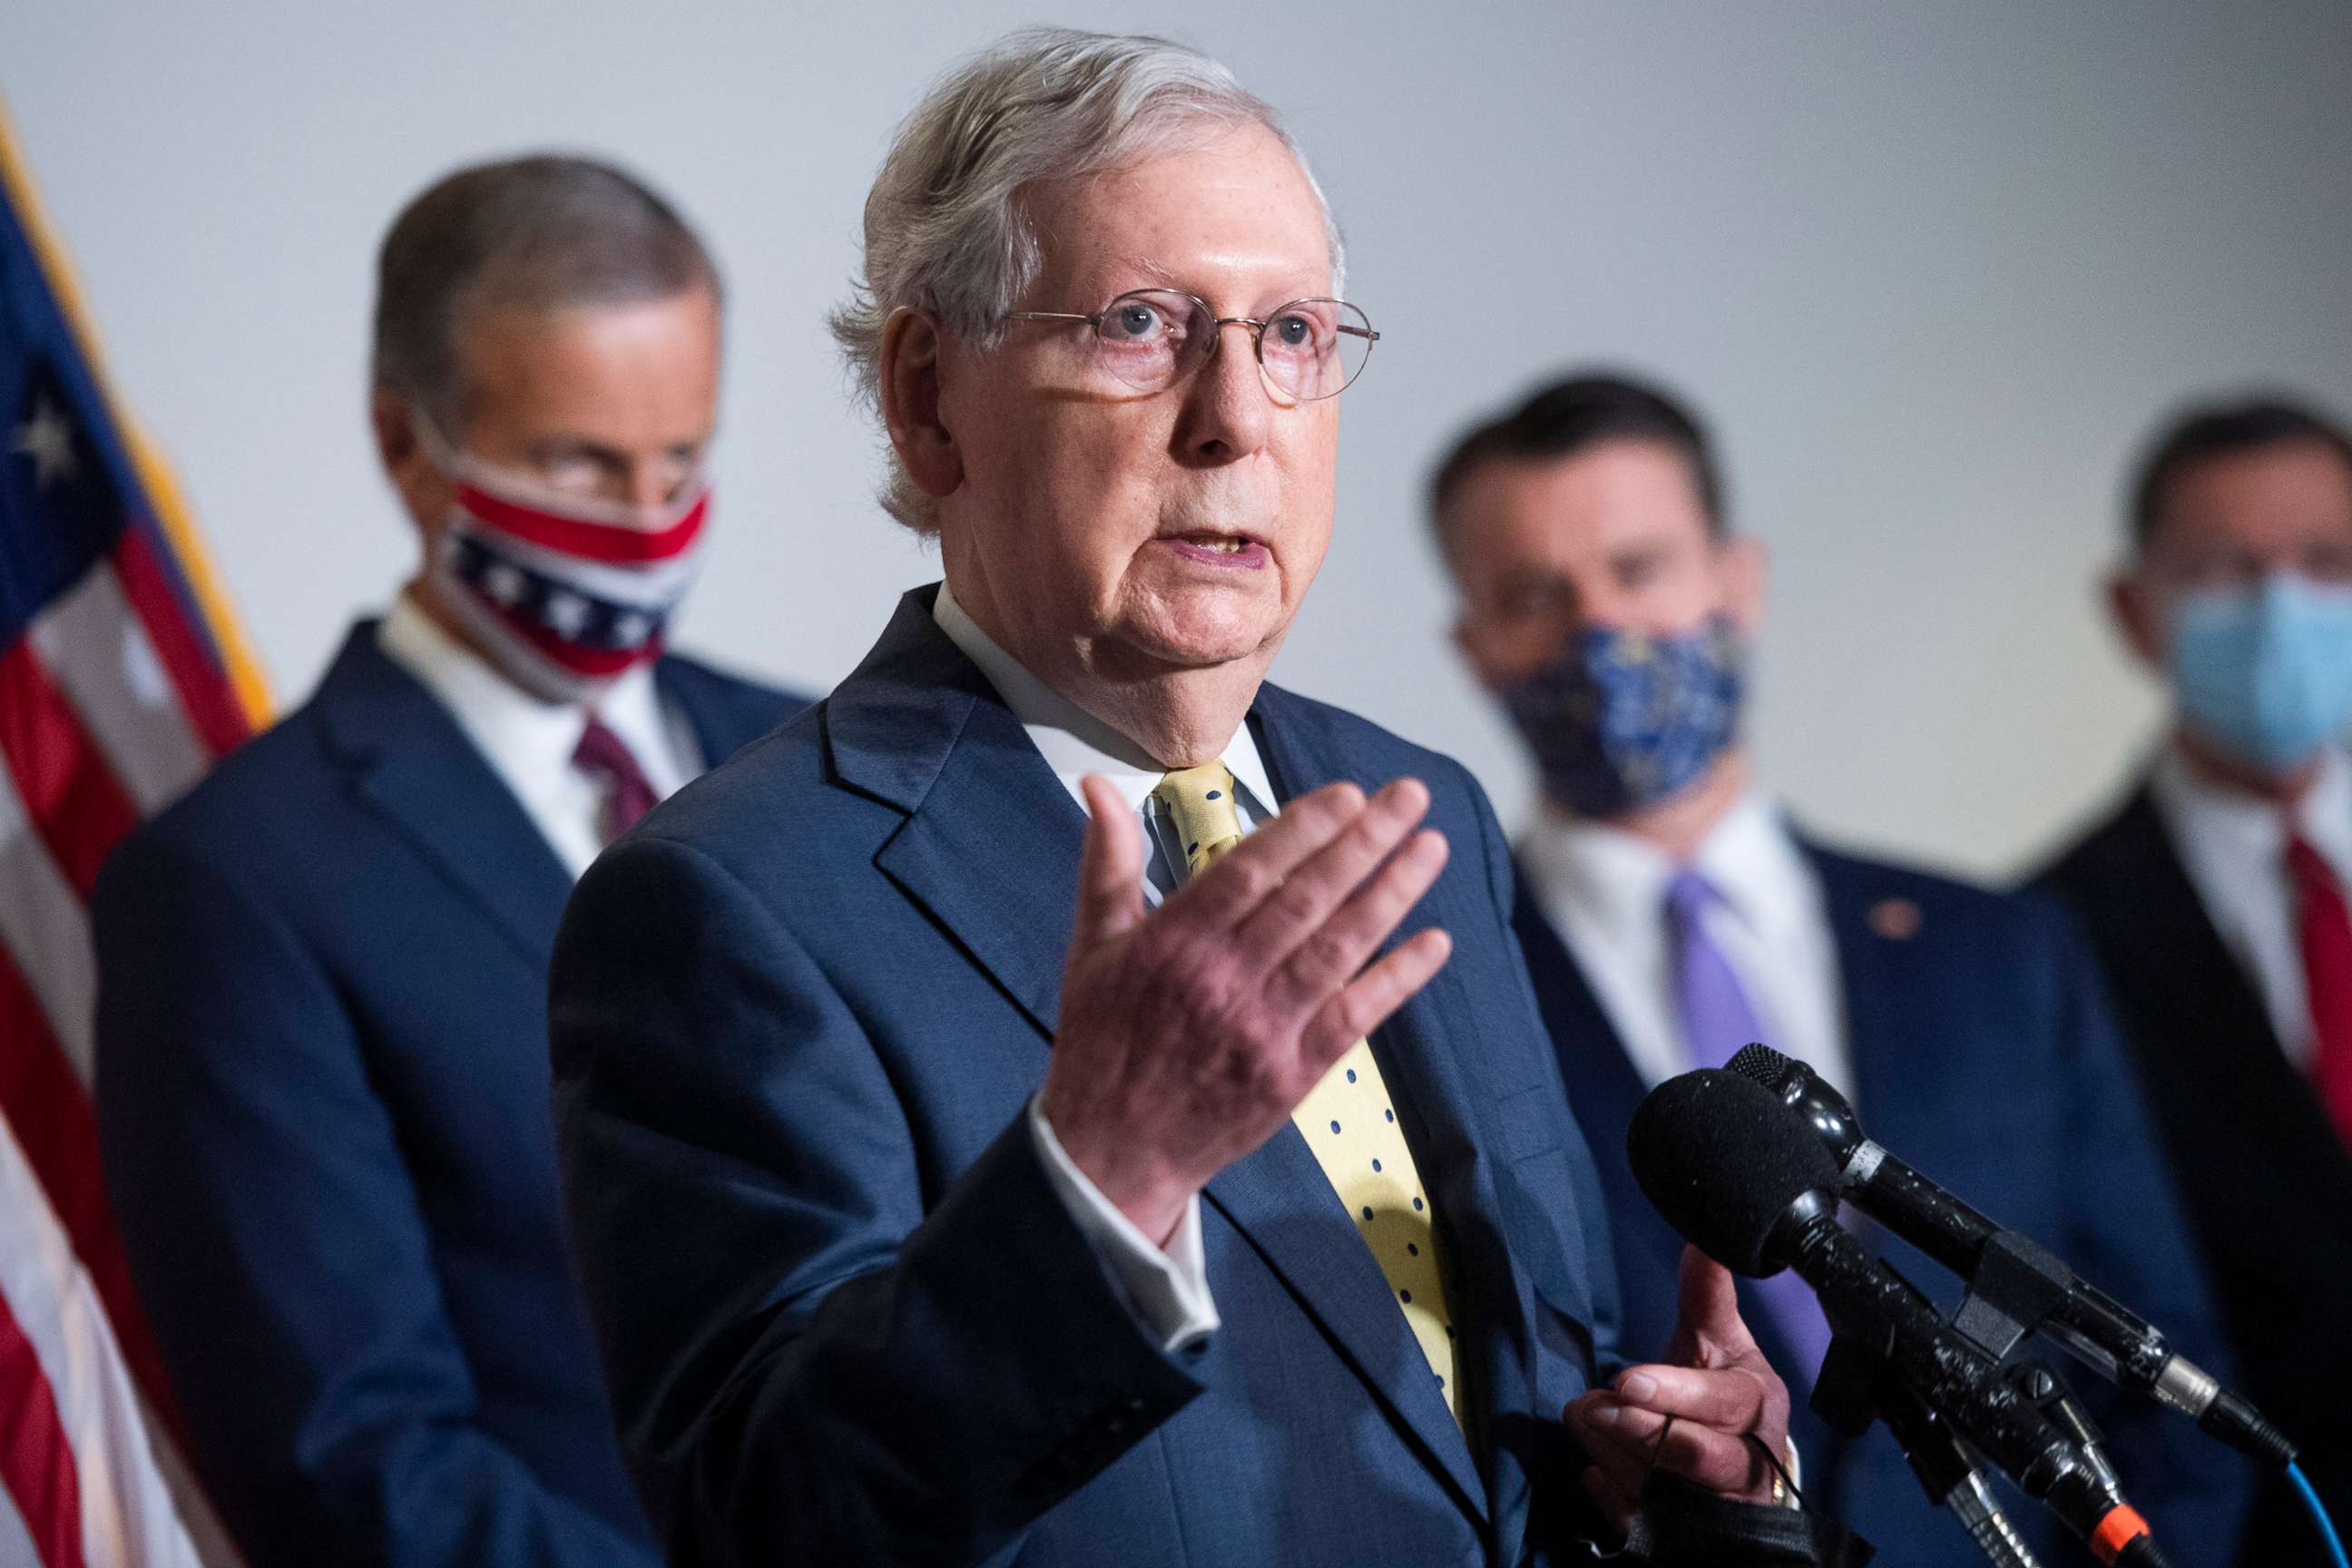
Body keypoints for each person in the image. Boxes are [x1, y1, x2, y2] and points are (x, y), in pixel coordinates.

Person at [547, 31, 1862, 1568]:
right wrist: (1102, 1180)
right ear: (927, 399)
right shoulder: (732, 903)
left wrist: (1687, 1495)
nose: (1235, 416)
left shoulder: (1412, 811)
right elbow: (765, 1518)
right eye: (1140, 325)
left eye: (1293, 332)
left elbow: (1496, 1449)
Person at [92, 155, 808, 1566]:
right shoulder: (233, 888)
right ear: (407, 446)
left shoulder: (824, 759)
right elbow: (355, 1464)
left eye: (683, 460)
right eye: (581, 464)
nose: (649, 520)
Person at [1436, 372, 2249, 1561]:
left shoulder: (2004, 953)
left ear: (1737, 579)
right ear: (1475, 647)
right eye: (1534, 594)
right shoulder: (1450, 999)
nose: (1599, 628)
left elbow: (2162, 1362)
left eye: (1640, 569)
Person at [2035, 394, 2352, 1565]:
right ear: (2135, 608)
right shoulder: (2044, 941)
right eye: (2227, 570)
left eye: (2326, 561)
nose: (2283, 608)